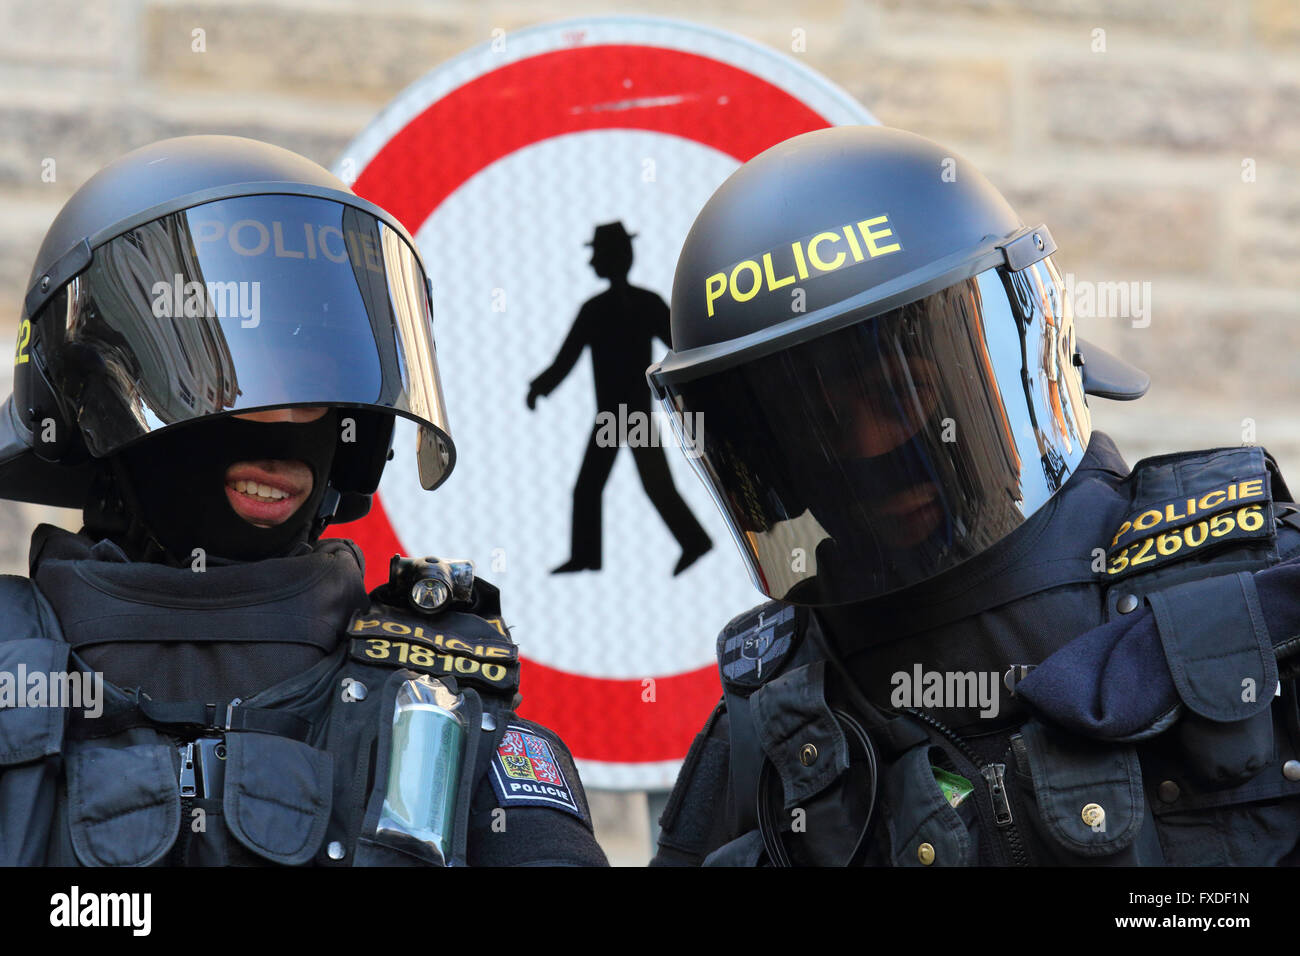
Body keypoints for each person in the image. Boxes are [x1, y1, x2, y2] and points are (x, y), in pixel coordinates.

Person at [646, 125, 1300, 866]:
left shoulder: (1254, 603)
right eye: (817, 427)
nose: (868, 448)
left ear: (1013, 364)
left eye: (903, 391)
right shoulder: (768, 727)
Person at [0, 135, 607, 867]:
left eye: (316, 379)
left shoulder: (445, 709)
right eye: (228, 376)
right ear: (97, 409)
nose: (288, 422)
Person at [527, 221, 711, 575]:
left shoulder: (614, 307)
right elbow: (566, 359)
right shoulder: (609, 307)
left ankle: (692, 543)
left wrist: (540, 387)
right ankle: (592, 555)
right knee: (614, 486)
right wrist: (541, 386)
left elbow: (680, 344)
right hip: (619, 415)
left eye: (597, 254)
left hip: (625, 415)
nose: (591, 262)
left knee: (631, 486)